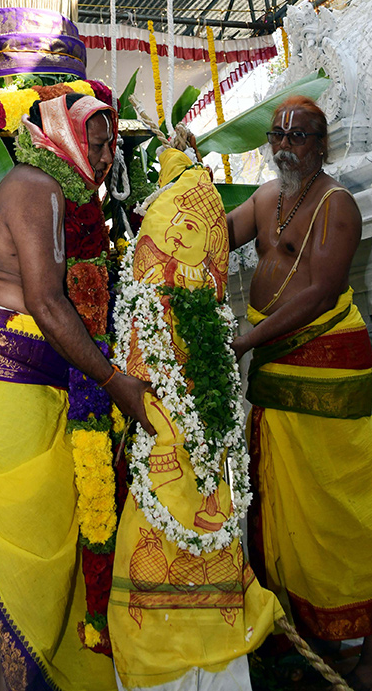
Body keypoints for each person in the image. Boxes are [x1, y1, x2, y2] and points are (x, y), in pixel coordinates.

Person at [0, 92, 153, 691]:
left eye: (109, 147)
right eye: (97, 143)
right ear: (61, 135)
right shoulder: (36, 190)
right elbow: (49, 307)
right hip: (5, 385)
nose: (107, 159)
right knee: (33, 555)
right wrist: (117, 383)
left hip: (8, 381)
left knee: (31, 547)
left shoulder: (40, 186)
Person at [226, 95, 372, 691]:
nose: (283, 146)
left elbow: (320, 292)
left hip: (324, 368)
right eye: (277, 135)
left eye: (298, 137)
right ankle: (309, 643)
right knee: (282, 511)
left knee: (344, 512)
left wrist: (246, 343)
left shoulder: (336, 204)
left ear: (322, 145)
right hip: (276, 371)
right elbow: (220, 236)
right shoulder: (266, 198)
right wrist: (177, 203)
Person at [108, 145, 282, 691]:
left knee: (220, 570)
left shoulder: (211, 314)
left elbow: (222, 402)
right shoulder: (146, 306)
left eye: (199, 230)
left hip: (213, 477)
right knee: (152, 562)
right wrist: (166, 436)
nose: (188, 237)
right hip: (163, 468)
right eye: (178, 224)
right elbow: (137, 385)